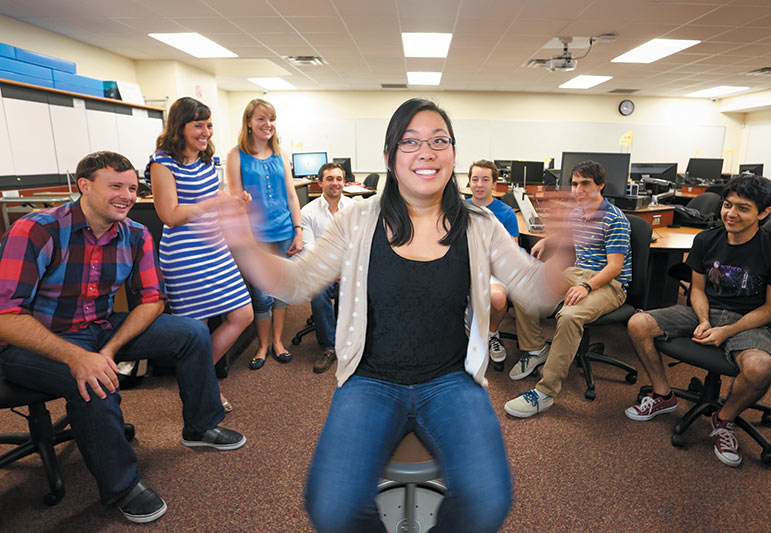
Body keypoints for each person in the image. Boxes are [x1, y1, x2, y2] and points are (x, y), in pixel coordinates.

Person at [219, 98, 568, 532]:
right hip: (371, 380)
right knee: (332, 507)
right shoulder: (358, 219)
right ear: (389, 157)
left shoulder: (479, 225)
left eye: (439, 141)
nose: (427, 152)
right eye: (411, 142)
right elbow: (295, 283)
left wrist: (566, 243)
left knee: (486, 502)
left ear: (453, 155)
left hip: (449, 380)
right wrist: (242, 243)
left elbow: (535, 291)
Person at [0, 151, 246, 524]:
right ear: (84, 186)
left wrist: (111, 348)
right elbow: (6, 314)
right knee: (93, 379)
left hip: (99, 327)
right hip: (35, 341)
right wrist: (79, 357)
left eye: (132, 188)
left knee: (192, 332)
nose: (128, 196)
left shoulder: (135, 234)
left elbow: (152, 300)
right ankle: (123, 485)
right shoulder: (38, 229)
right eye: (115, 186)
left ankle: (200, 425)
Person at [624, 175, 771, 467]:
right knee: (638, 323)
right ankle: (663, 395)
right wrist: (703, 320)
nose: (731, 213)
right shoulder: (706, 240)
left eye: (743, 208)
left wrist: (728, 330)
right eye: (728, 205)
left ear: (764, 213)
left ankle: (725, 419)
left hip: (748, 319)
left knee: (761, 367)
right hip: (705, 310)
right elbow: (698, 290)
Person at [146, 97, 253, 413]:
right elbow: (170, 215)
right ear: (180, 127)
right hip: (185, 256)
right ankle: (203, 387)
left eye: (209, 125)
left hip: (215, 249)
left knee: (242, 315)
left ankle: (198, 376)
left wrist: (232, 200)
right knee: (197, 329)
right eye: (198, 125)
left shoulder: (208, 160)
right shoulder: (162, 163)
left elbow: (212, 198)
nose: (206, 132)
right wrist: (213, 203)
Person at [504, 160, 632, 418]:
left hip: (608, 282)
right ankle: (537, 348)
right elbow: (571, 235)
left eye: (586, 184)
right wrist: (546, 241)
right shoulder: (578, 212)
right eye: (575, 184)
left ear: (601, 186)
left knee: (570, 316)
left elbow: (615, 267)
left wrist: (587, 286)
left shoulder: (615, 220)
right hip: (577, 273)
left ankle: (545, 392)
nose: (578, 190)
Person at [226, 98, 303, 369]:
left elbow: (292, 197)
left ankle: (278, 342)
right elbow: (236, 199)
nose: (267, 124)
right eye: (261, 118)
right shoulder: (236, 155)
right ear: (249, 122)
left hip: (284, 231)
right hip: (256, 236)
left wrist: (298, 230)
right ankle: (262, 345)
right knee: (261, 295)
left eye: (271, 119)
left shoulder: (280, 154)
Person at [300, 162, 355, 374]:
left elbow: (357, 244)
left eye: (339, 179)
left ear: (344, 182)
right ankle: (329, 347)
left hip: (347, 269)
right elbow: (310, 250)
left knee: (351, 286)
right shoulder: (308, 211)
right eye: (330, 179)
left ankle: (348, 341)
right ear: (320, 183)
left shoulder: (353, 209)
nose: (335, 183)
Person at [466, 159, 519, 370]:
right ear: (469, 182)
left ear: (494, 183)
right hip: (463, 268)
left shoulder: (505, 213)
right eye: (475, 179)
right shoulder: (459, 210)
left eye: (485, 180)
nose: (479, 184)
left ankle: (492, 333)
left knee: (498, 298)